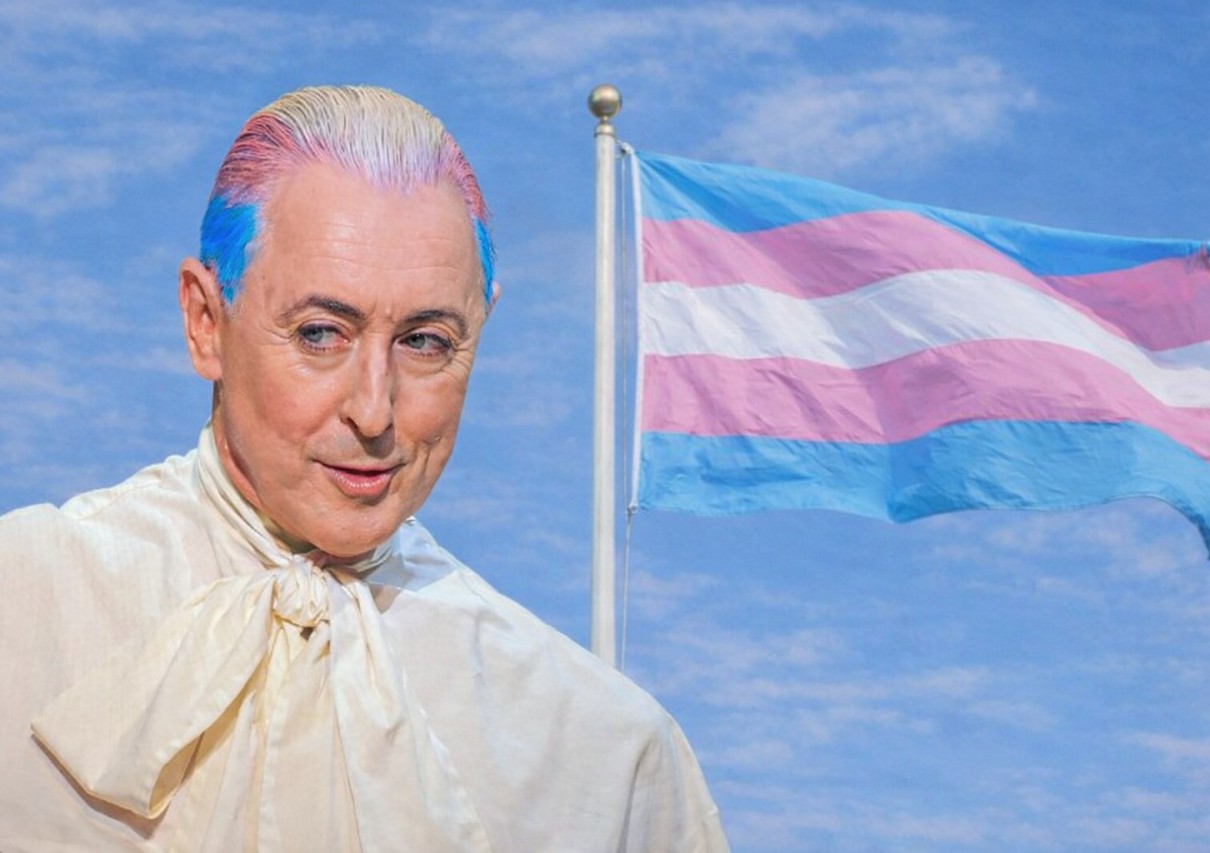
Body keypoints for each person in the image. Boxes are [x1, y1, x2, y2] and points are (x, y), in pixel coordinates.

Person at [0, 85, 727, 851]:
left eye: (425, 342)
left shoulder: (607, 754)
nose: (374, 412)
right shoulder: (21, 607)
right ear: (205, 321)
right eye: (321, 333)